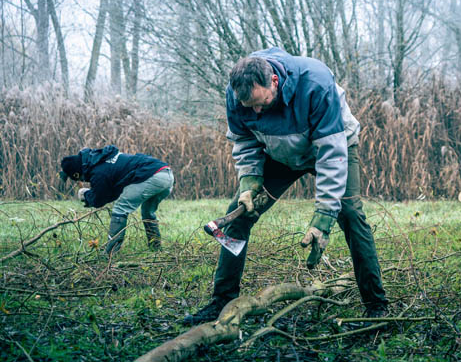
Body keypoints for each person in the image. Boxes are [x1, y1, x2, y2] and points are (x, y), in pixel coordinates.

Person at [183, 47, 388, 325]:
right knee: (239, 215)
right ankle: (222, 299)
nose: (256, 110)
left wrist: (324, 216)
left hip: (332, 147)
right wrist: (250, 181)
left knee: (350, 215)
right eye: (250, 106)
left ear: (275, 82)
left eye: (261, 102)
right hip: (279, 155)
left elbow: (331, 154)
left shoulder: (315, 84)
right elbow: (244, 141)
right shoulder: (237, 95)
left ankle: (376, 305)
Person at [60, 145, 174, 255]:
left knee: (120, 208)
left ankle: (110, 253)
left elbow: (99, 200)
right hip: (166, 174)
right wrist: (91, 195)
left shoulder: (98, 172)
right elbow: (112, 192)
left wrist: (86, 195)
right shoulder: (101, 160)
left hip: (152, 176)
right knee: (147, 212)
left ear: (76, 174)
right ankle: (156, 248)